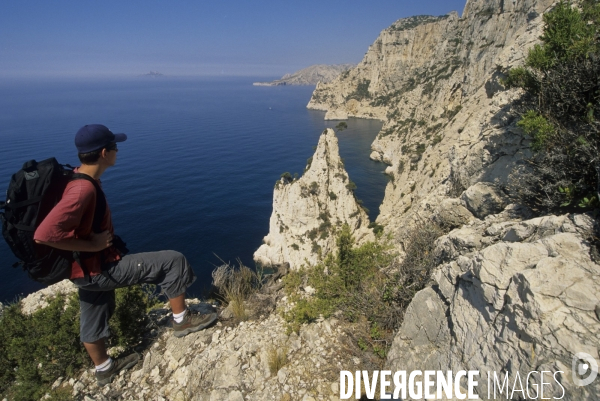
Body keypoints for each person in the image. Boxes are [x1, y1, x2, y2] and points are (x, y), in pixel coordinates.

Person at [33, 124, 217, 386]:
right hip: (101, 267)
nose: (119, 151)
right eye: (116, 147)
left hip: (83, 273)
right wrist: (94, 246)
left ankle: (104, 368)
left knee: (94, 310)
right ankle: (182, 321)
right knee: (173, 260)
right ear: (105, 152)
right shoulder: (82, 189)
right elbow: (44, 234)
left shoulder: (78, 178)